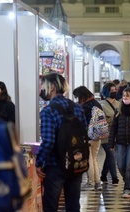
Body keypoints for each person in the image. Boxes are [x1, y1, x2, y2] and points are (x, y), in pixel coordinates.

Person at [35, 73, 87, 212]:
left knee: (51, 205)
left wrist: (39, 162)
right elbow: (84, 134)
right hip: (75, 162)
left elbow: (48, 141)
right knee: (73, 205)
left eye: (43, 85)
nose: (41, 89)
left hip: (55, 165)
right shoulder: (77, 108)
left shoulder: (48, 111)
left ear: (52, 87)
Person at [73, 86, 104, 191]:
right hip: (98, 135)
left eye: (77, 97)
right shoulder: (97, 104)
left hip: (88, 136)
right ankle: (98, 182)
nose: (77, 99)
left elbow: (81, 122)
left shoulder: (85, 107)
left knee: (89, 159)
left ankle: (91, 183)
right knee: (94, 159)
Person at [99, 82, 120, 186]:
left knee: (109, 155)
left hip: (116, 134)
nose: (114, 92)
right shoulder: (102, 105)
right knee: (111, 155)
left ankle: (103, 175)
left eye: (114, 90)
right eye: (111, 91)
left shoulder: (119, 103)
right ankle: (114, 178)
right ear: (106, 92)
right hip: (105, 135)